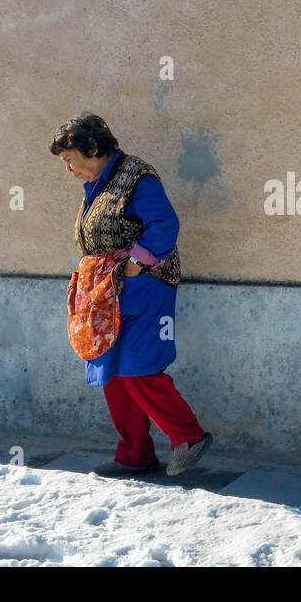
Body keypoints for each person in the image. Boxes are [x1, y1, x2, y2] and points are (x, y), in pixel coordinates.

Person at [50, 114, 212, 477]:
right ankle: (134, 454)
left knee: (139, 367)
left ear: (92, 149)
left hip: (144, 287)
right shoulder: (97, 183)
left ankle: (189, 437)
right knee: (113, 368)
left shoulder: (138, 177)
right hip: (108, 289)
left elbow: (165, 225)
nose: (68, 168)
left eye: (69, 158)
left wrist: (139, 264)